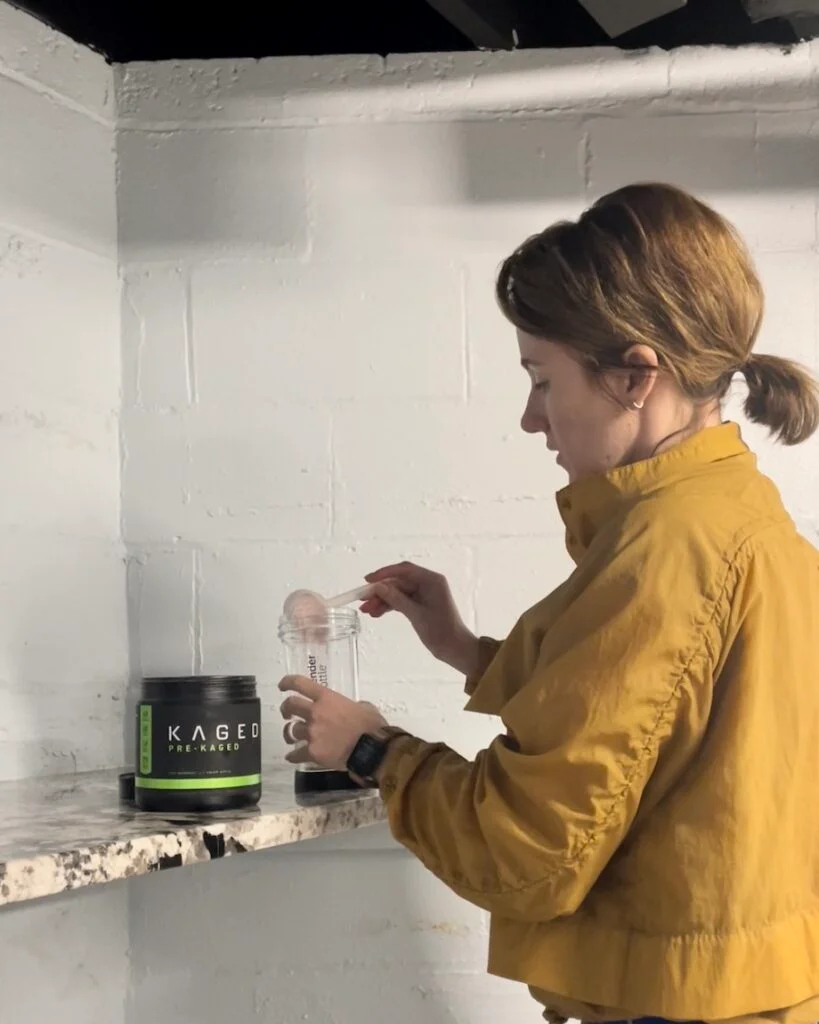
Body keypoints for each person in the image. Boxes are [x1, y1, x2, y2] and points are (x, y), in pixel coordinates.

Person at [279, 183, 819, 1024]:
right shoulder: (733, 511)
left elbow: (531, 850)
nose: (532, 418)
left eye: (541, 378)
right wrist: (466, 648)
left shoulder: (666, 547)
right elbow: (664, 715)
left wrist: (373, 752)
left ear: (636, 375)